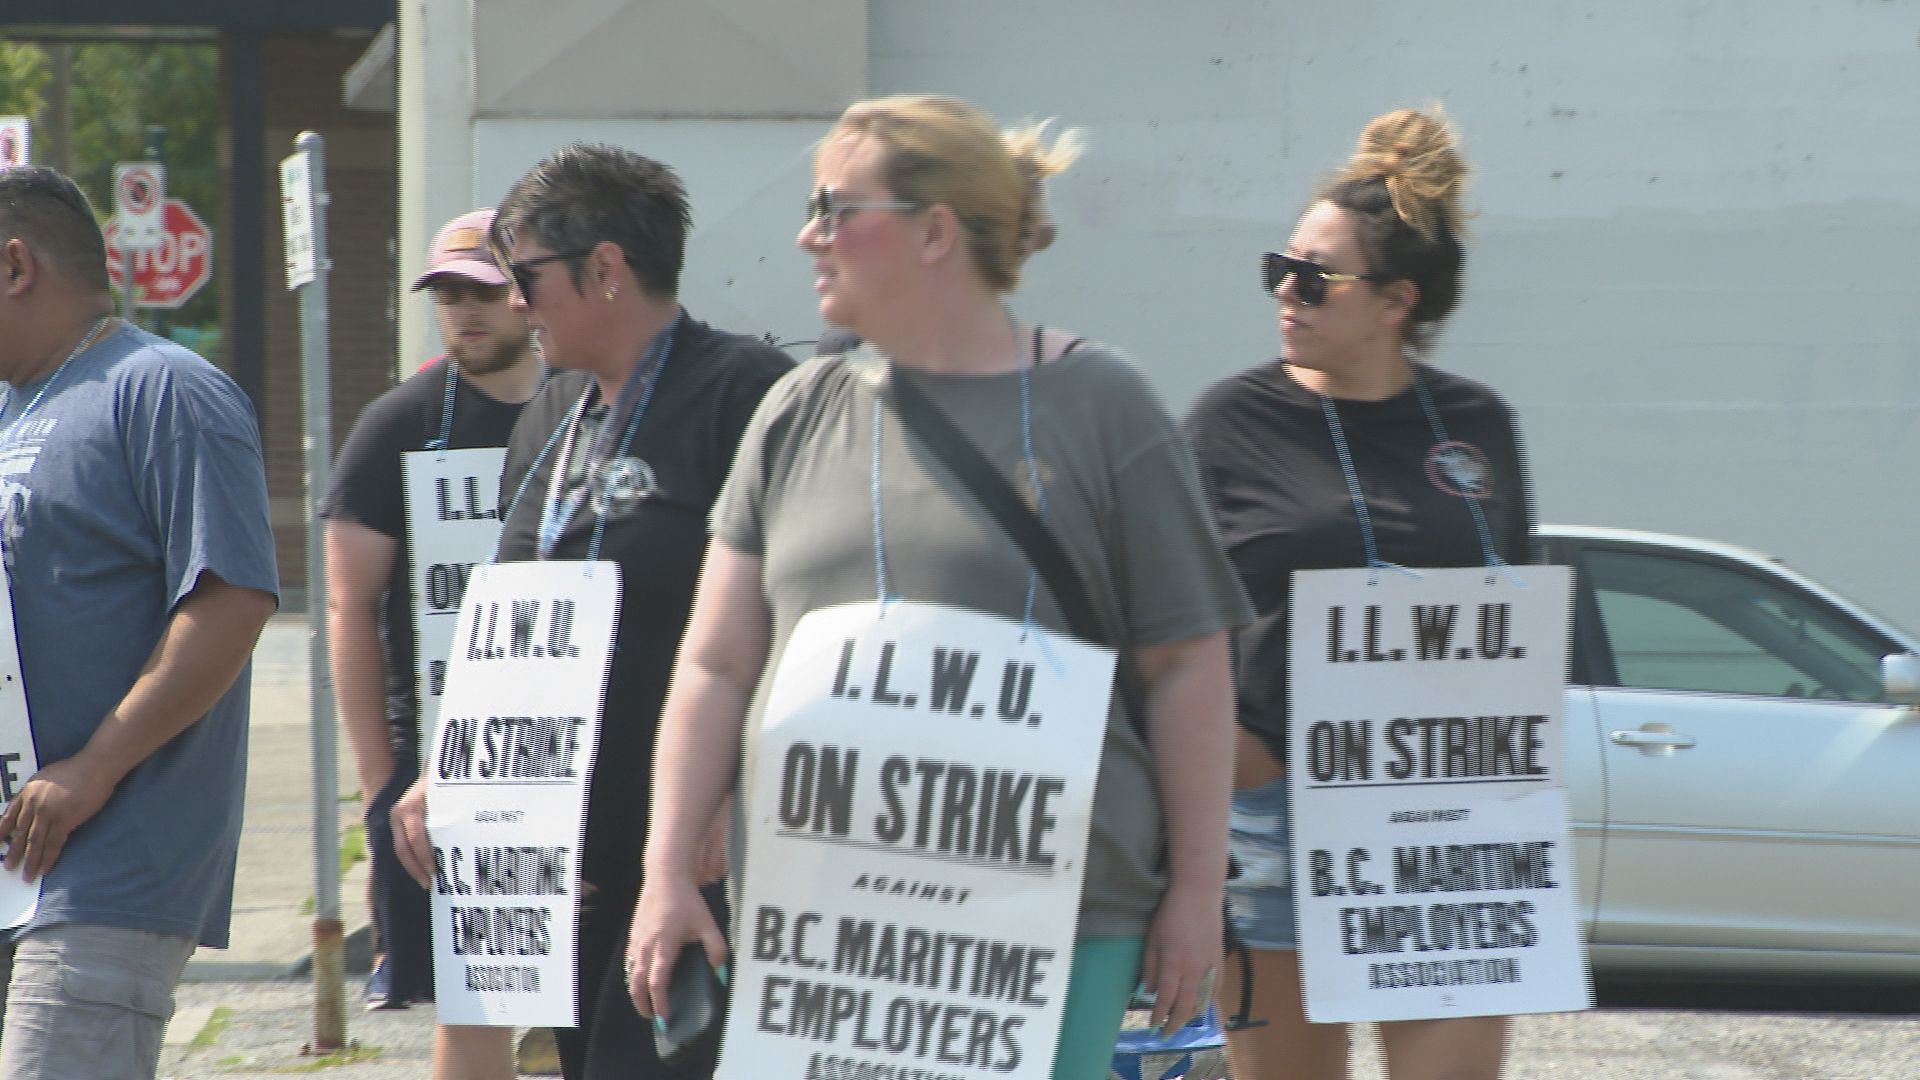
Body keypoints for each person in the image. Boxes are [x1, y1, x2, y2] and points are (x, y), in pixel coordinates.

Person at [623, 94, 1251, 1080]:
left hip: (1052, 927)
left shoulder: (1103, 408)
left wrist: (1196, 892)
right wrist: (665, 869)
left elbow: (1188, 663)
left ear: (935, 233)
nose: (805, 236)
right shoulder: (794, 411)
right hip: (827, 937)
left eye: (833, 208)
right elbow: (714, 664)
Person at [388, 143, 791, 1080]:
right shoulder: (552, 413)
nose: (514, 304)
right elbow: (512, 621)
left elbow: (795, 616)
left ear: (606, 268)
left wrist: (735, 792)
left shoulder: (748, 396)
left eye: (524, 277)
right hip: (562, 863)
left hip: (697, 858)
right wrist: (450, 764)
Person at [1183, 107, 1536, 1080]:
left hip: (1445, 829)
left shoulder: (1478, 424)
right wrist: (1242, 767)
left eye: (1315, 277)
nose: (1286, 293)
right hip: (1273, 816)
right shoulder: (1228, 422)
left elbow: (1514, 619)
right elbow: (1170, 620)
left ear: (1396, 301)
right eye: (1279, 268)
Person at [0, 168, 279, 1079]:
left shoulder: (165, 392)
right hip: (18, 863)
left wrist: (94, 768)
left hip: (108, 865)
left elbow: (231, 602)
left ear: (14, 265)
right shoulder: (13, 409)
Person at [321, 208, 543, 1011]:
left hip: (564, 756)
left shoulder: (583, 406)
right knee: (468, 1005)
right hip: (435, 766)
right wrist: (383, 784)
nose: (464, 311)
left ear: (527, 292)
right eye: (447, 295)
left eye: (483, 290)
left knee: (575, 1004)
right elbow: (347, 606)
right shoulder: (399, 424)